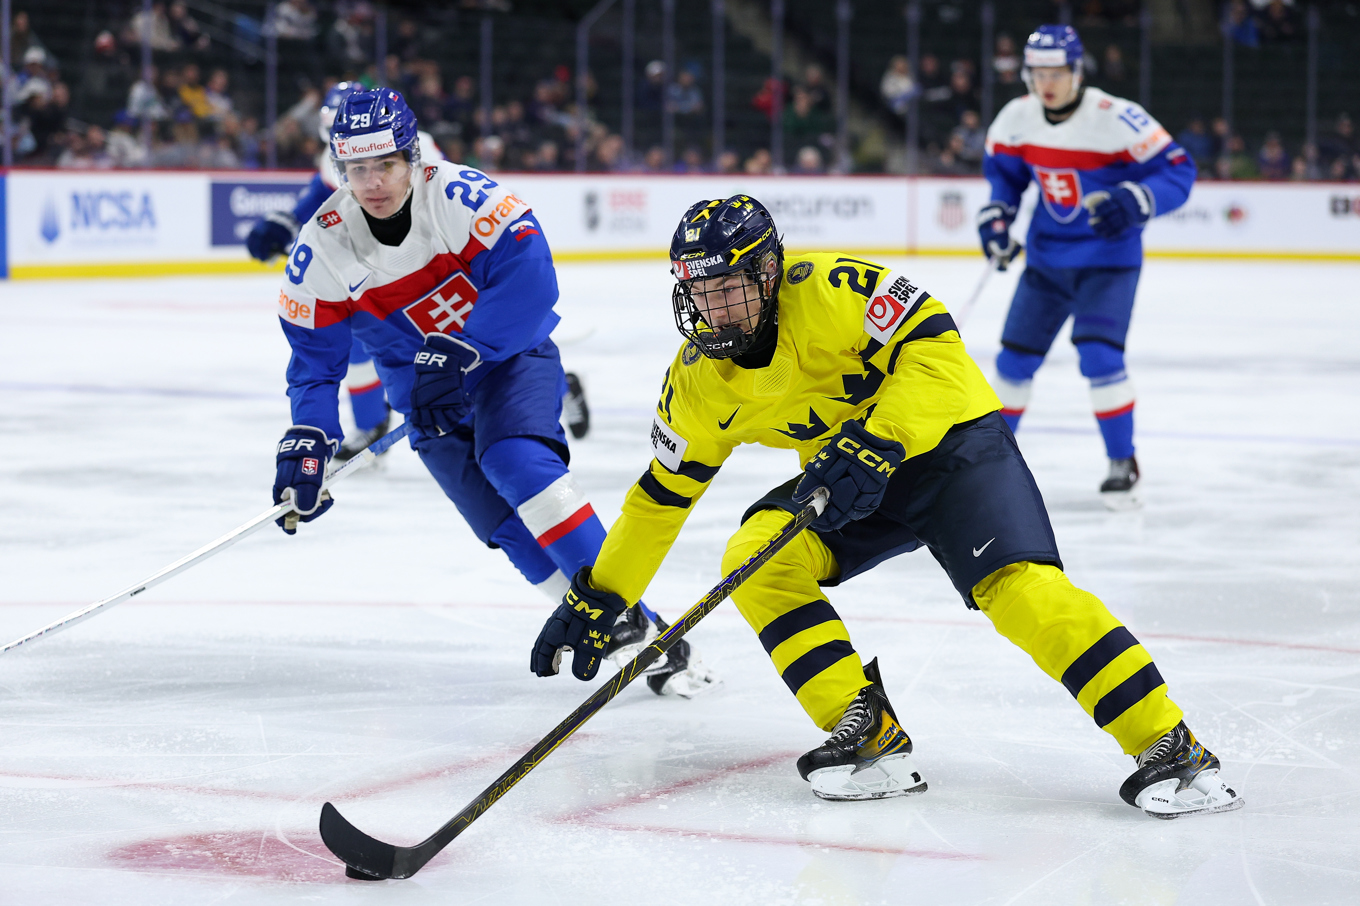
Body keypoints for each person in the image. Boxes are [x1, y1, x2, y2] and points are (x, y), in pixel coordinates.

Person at [529, 194, 1243, 819]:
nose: (714, 307)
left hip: (952, 449)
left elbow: (937, 347)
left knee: (1018, 591)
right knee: (756, 557)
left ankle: (1168, 743)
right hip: (850, 478)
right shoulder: (697, 384)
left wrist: (880, 439)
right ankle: (863, 730)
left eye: (730, 288)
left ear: (769, 273)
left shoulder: (833, 287)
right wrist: (603, 594)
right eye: (700, 291)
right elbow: (658, 501)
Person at [271, 88, 711, 696]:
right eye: (357, 169)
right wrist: (308, 438)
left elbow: (531, 279)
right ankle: (623, 628)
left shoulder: (457, 195)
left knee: (515, 462)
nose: (371, 183)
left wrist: (467, 346)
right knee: (498, 520)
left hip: (508, 359)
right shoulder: (322, 242)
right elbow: (315, 362)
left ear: (412, 156)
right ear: (340, 167)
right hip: (425, 397)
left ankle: (609, 601)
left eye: (385, 165)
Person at [978, 25, 1195, 509]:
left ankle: (1123, 460)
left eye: (1057, 72)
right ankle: (988, 461)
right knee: (1013, 362)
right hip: (1047, 262)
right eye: (1037, 73)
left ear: (1077, 71)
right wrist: (996, 218)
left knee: (1099, 357)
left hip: (1108, 263)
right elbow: (1005, 180)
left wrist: (1138, 198)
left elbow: (1179, 171)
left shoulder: (1117, 117)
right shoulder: (1016, 117)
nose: (1046, 83)